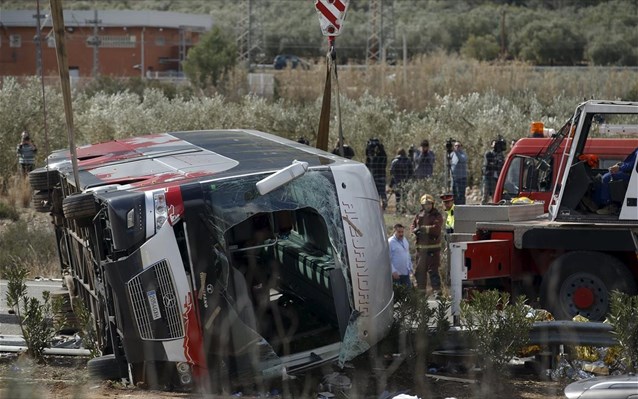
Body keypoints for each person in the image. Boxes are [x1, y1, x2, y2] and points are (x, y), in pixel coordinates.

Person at [410, 194, 443, 295]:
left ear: (432, 204)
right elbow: (412, 226)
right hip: (421, 251)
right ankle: (421, 293)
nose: (427, 206)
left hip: (433, 251)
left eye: (429, 204)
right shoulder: (418, 215)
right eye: (425, 204)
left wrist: (424, 229)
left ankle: (437, 293)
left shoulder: (436, 215)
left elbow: (436, 228)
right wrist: (415, 231)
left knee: (433, 272)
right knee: (420, 272)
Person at [596, 147, 638, 215]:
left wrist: (619, 168)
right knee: (603, 177)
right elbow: (629, 162)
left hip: (632, 176)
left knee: (606, 178)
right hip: (630, 173)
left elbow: (633, 165)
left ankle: (608, 204)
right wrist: (620, 164)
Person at [365, 138, 388, 210]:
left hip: (375, 176)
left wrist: (369, 147)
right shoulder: (382, 157)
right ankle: (382, 205)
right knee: (381, 192)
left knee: (376, 192)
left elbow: (368, 158)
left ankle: (379, 206)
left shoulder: (375, 157)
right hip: (381, 176)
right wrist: (379, 146)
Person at [389, 148, 413, 213]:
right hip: (405, 181)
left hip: (397, 181)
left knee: (398, 197)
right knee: (405, 196)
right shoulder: (408, 161)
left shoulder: (394, 161)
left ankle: (398, 209)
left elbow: (391, 171)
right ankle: (404, 209)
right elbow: (411, 171)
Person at [481, 139, 505, 204]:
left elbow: (502, 164)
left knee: (495, 196)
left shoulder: (501, 155)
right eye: (494, 144)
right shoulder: (489, 154)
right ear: (491, 145)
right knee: (485, 195)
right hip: (488, 177)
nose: (496, 146)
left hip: (497, 178)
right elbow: (487, 164)